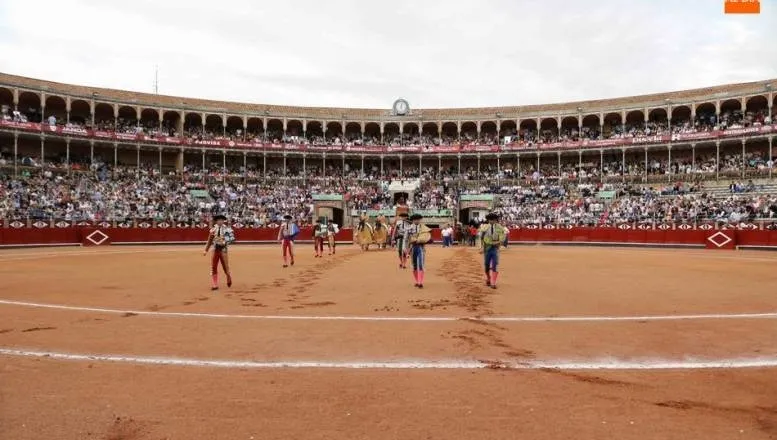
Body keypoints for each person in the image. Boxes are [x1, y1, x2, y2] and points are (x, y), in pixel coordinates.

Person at [202, 214, 235, 291]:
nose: (220, 221)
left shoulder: (227, 229)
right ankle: (215, 284)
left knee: (225, 266)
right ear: (216, 221)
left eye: (221, 220)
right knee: (214, 266)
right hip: (215, 249)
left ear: (223, 221)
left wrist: (226, 241)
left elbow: (232, 239)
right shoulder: (213, 230)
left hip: (223, 249)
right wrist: (206, 250)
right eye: (218, 220)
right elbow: (209, 241)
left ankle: (228, 276)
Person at [479, 212, 507, 289]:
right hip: (487, 248)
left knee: (495, 264)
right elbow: (481, 238)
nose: (491, 221)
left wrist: (499, 243)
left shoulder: (500, 227)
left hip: (495, 248)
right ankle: (488, 277)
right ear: (488, 220)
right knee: (486, 266)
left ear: (495, 220)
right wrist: (481, 247)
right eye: (490, 220)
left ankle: (493, 282)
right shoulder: (484, 227)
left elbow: (502, 237)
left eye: (493, 220)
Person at [404, 213, 432, 288]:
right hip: (412, 248)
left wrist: (427, 240)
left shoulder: (424, 228)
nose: (417, 221)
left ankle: (420, 282)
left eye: (418, 219)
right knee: (414, 265)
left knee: (421, 264)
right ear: (413, 220)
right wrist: (406, 250)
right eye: (415, 219)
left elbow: (428, 238)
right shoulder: (409, 229)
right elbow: (406, 240)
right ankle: (417, 281)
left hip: (421, 247)